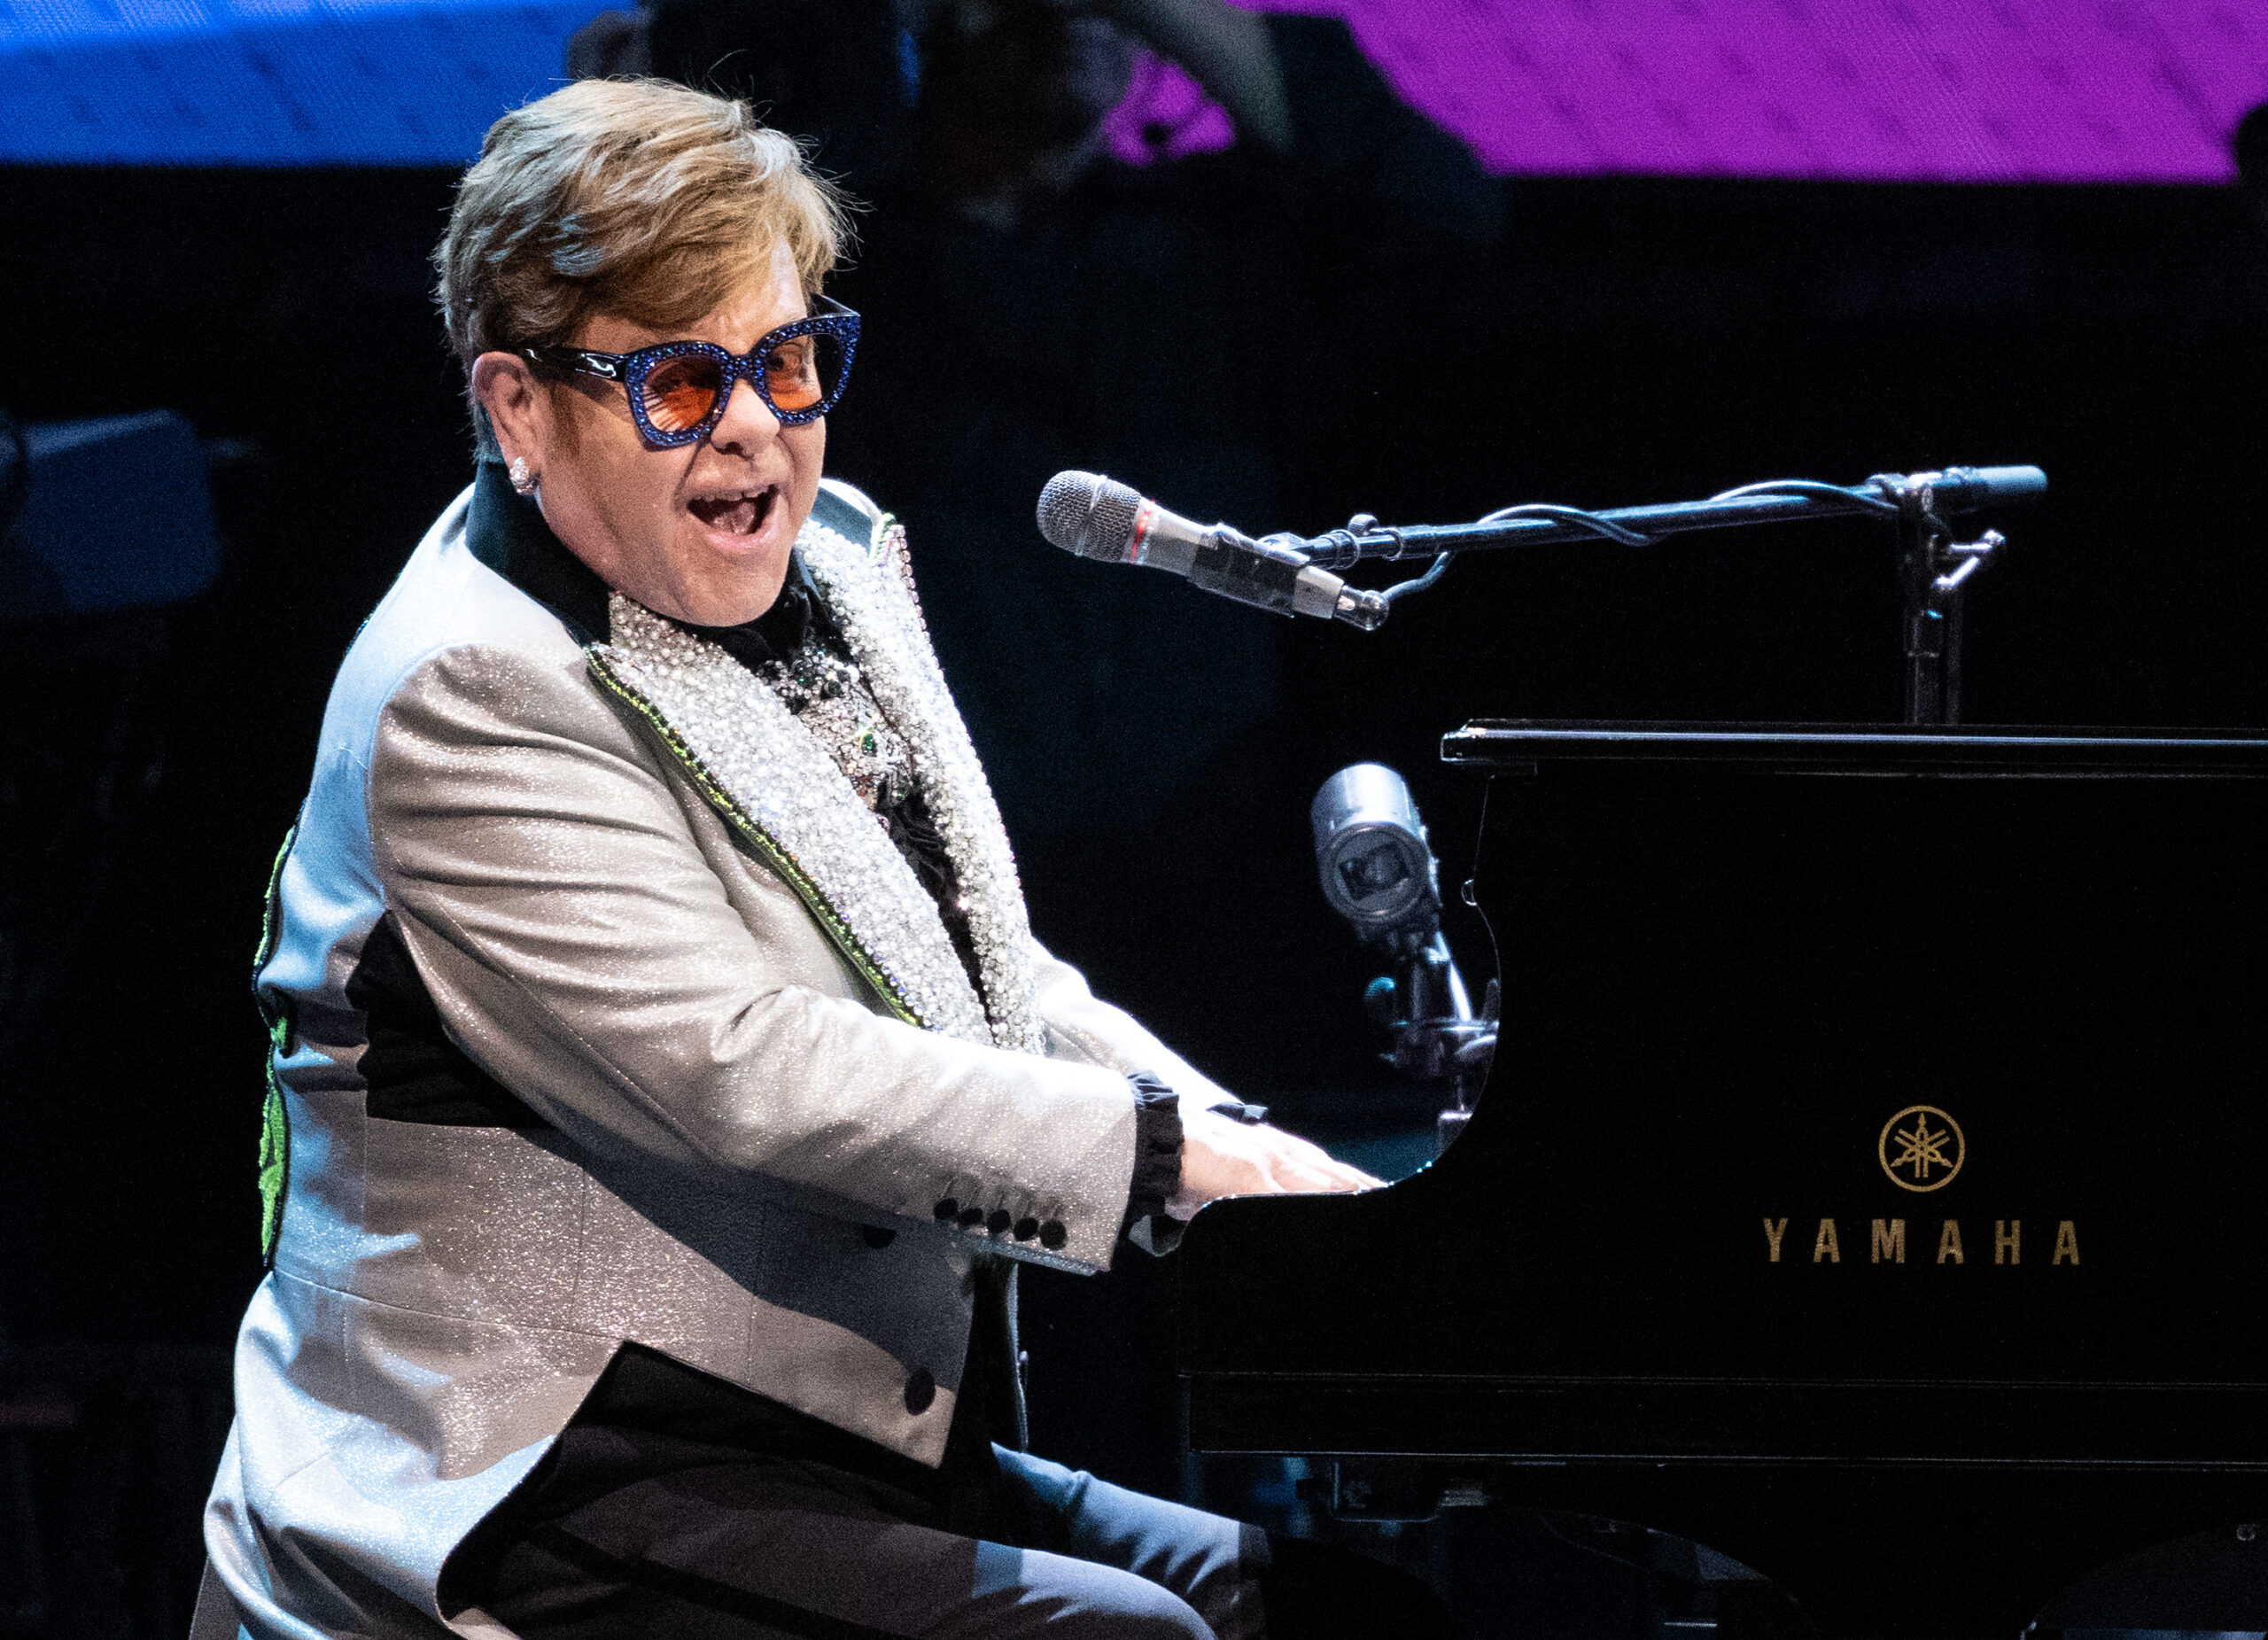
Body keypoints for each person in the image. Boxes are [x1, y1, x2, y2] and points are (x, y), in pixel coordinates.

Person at [197, 76, 1444, 1640]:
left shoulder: (837, 553)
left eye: (786, 362)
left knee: (1342, 1616)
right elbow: (744, 1065)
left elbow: (975, 963)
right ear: (517, 409)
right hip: (527, 1472)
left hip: (814, 1439)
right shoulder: (470, 690)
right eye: (678, 380)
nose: (754, 427)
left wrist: (1248, 1155)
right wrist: (1154, 1158)